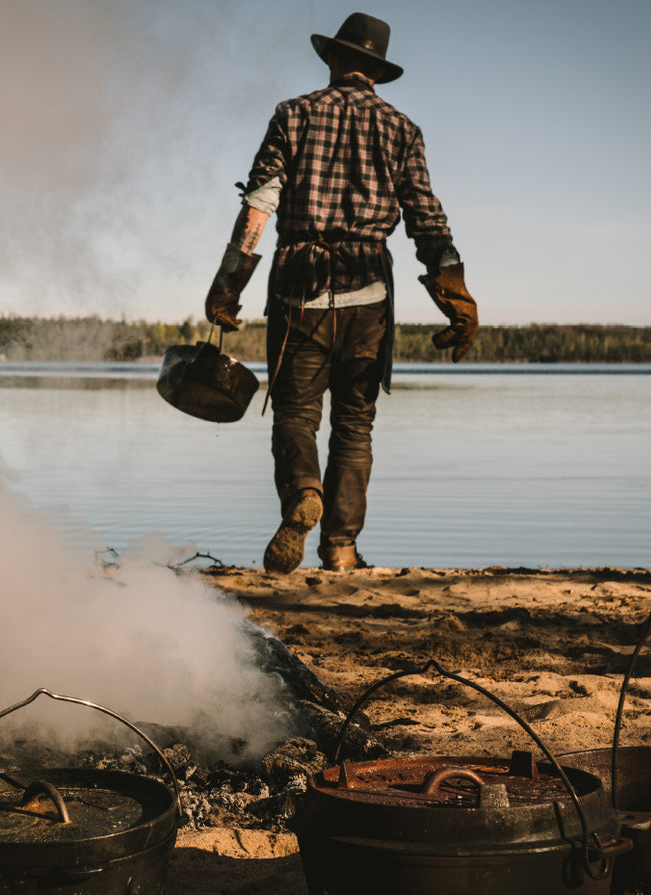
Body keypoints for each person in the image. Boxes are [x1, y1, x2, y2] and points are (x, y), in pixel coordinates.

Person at [204, 11, 478, 574]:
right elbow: (428, 220)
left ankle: (305, 491)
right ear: (376, 70)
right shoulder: (402, 129)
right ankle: (341, 548)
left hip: (298, 289)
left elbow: (259, 204)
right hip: (368, 292)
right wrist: (457, 298)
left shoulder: (293, 115)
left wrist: (229, 285)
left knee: (295, 415)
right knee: (355, 423)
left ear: (332, 58)